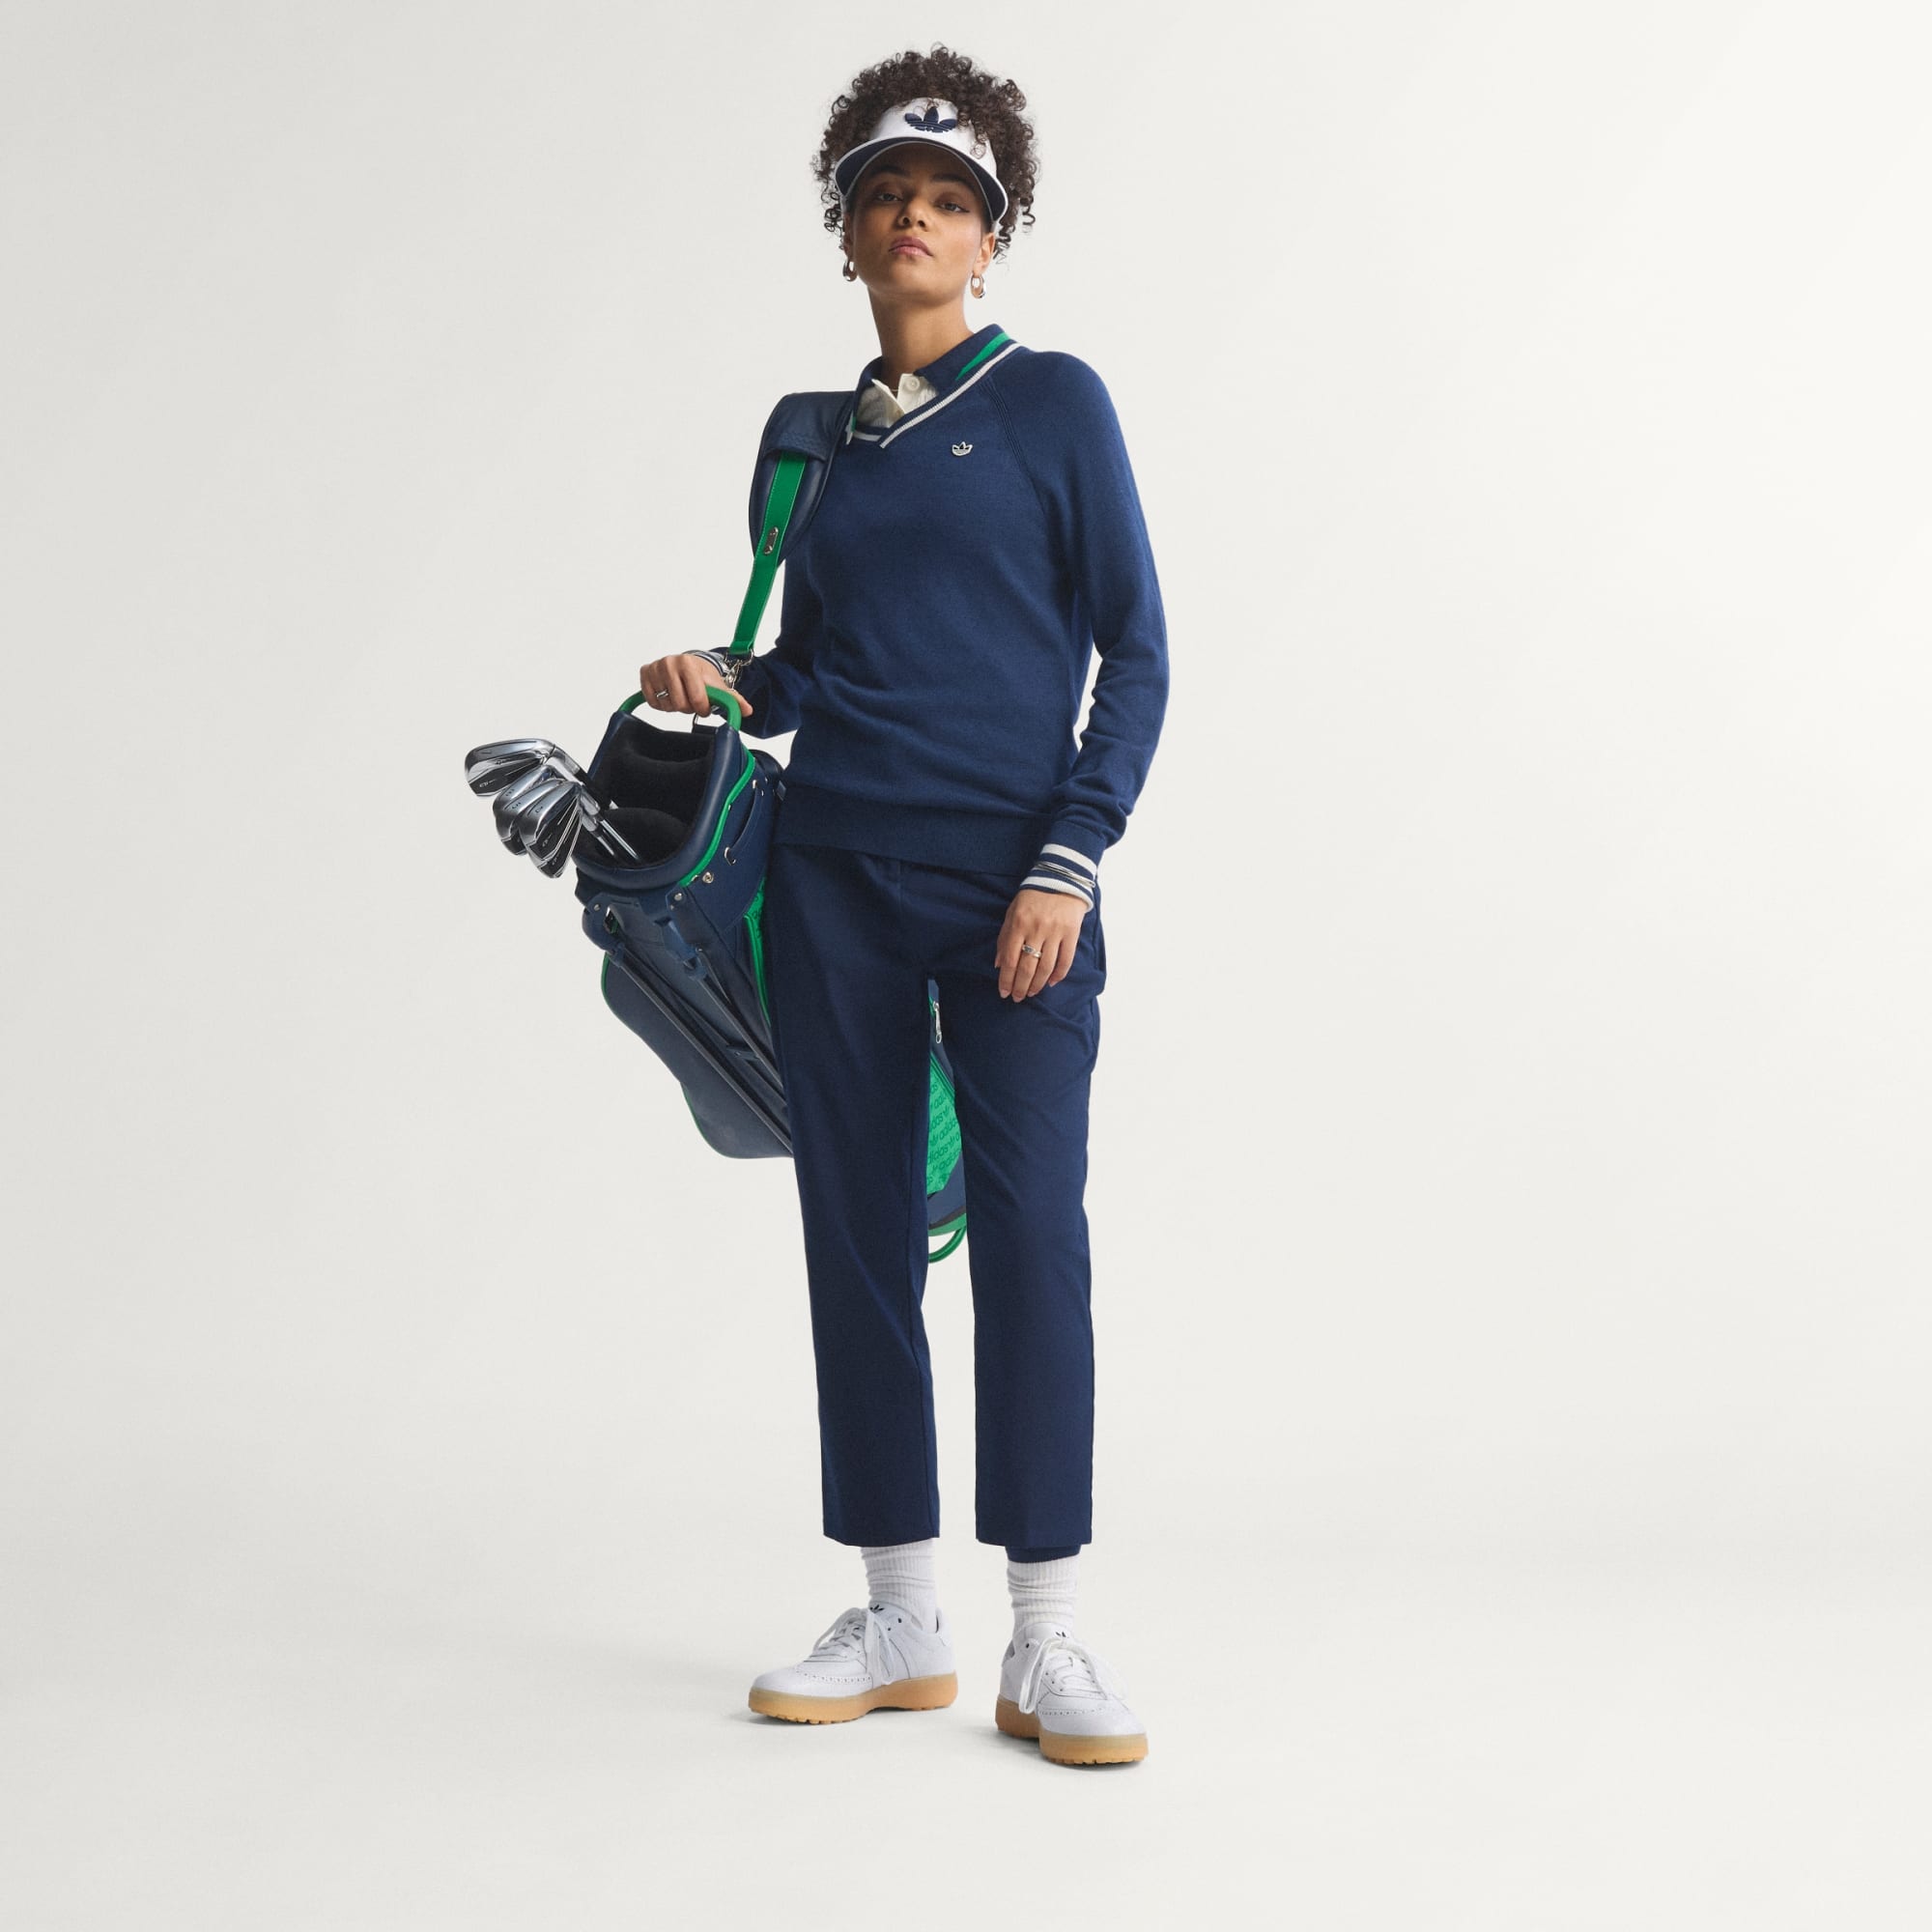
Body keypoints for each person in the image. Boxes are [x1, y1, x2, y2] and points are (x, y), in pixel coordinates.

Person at [639, 47, 1168, 1768]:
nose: (915, 220)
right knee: (857, 1237)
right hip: (834, 889)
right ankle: (899, 1616)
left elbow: (1137, 656)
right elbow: (817, 668)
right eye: (887, 198)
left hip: (1016, 896)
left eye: (948, 199)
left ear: (991, 236)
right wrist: (731, 682)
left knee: (1031, 1240)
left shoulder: (1056, 404)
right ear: (851, 232)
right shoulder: (809, 444)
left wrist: (1069, 861)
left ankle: (1047, 1635)